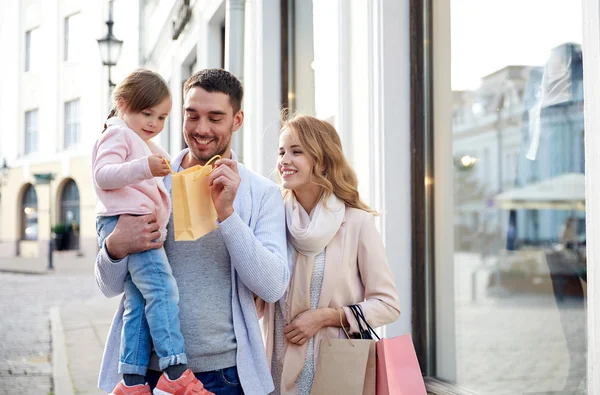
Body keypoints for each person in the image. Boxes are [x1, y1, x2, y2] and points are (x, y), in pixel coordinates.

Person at [95, 69, 289, 395]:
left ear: (237, 120)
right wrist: (115, 246)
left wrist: (227, 214)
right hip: (149, 374)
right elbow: (109, 287)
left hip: (226, 374)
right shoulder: (145, 178)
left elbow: (272, 286)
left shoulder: (261, 193)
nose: (201, 129)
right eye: (192, 115)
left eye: (215, 117)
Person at [257, 115, 401, 394]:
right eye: (281, 151)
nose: (284, 160)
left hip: (335, 369)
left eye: (297, 151)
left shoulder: (356, 222)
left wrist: (326, 317)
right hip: (275, 369)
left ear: (322, 160)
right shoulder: (271, 216)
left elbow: (388, 304)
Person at [92, 69, 209, 395]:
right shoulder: (118, 135)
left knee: (139, 301)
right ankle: (175, 370)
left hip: (127, 221)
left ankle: (131, 381)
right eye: (147, 114)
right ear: (122, 103)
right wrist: (145, 167)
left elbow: (161, 166)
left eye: (162, 117)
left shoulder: (137, 139)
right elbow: (103, 175)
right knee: (162, 291)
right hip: (130, 222)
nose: (154, 123)